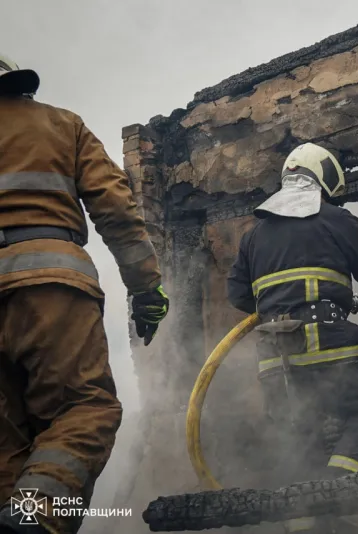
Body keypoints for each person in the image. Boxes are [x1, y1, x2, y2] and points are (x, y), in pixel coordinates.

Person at [0, 54, 169, 534]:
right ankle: (33, 519)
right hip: (51, 284)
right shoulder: (62, 125)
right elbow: (116, 208)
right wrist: (146, 289)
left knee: (6, 441)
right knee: (82, 408)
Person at [227, 142, 358, 532]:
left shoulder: (253, 236)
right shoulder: (334, 219)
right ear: (324, 176)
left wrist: (283, 305)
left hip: (273, 357)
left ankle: (304, 523)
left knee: (300, 434)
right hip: (327, 340)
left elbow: (239, 296)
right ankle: (336, 494)